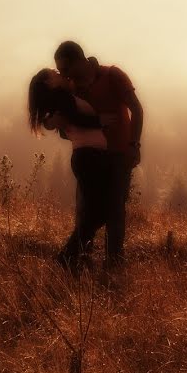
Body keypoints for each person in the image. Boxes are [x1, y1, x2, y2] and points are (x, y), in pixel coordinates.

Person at [53, 41, 144, 269]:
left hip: (118, 155)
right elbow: (63, 131)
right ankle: (79, 261)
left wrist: (134, 144)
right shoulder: (70, 90)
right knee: (87, 211)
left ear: (79, 61)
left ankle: (112, 265)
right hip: (90, 159)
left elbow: (137, 108)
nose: (63, 75)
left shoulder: (112, 75)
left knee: (114, 211)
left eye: (65, 69)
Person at [28, 68, 112, 273]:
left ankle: (72, 258)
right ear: (49, 83)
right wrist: (102, 121)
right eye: (54, 73)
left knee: (96, 212)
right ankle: (67, 257)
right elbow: (77, 119)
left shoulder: (64, 95)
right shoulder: (61, 97)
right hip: (89, 157)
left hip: (89, 156)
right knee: (99, 212)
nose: (59, 73)